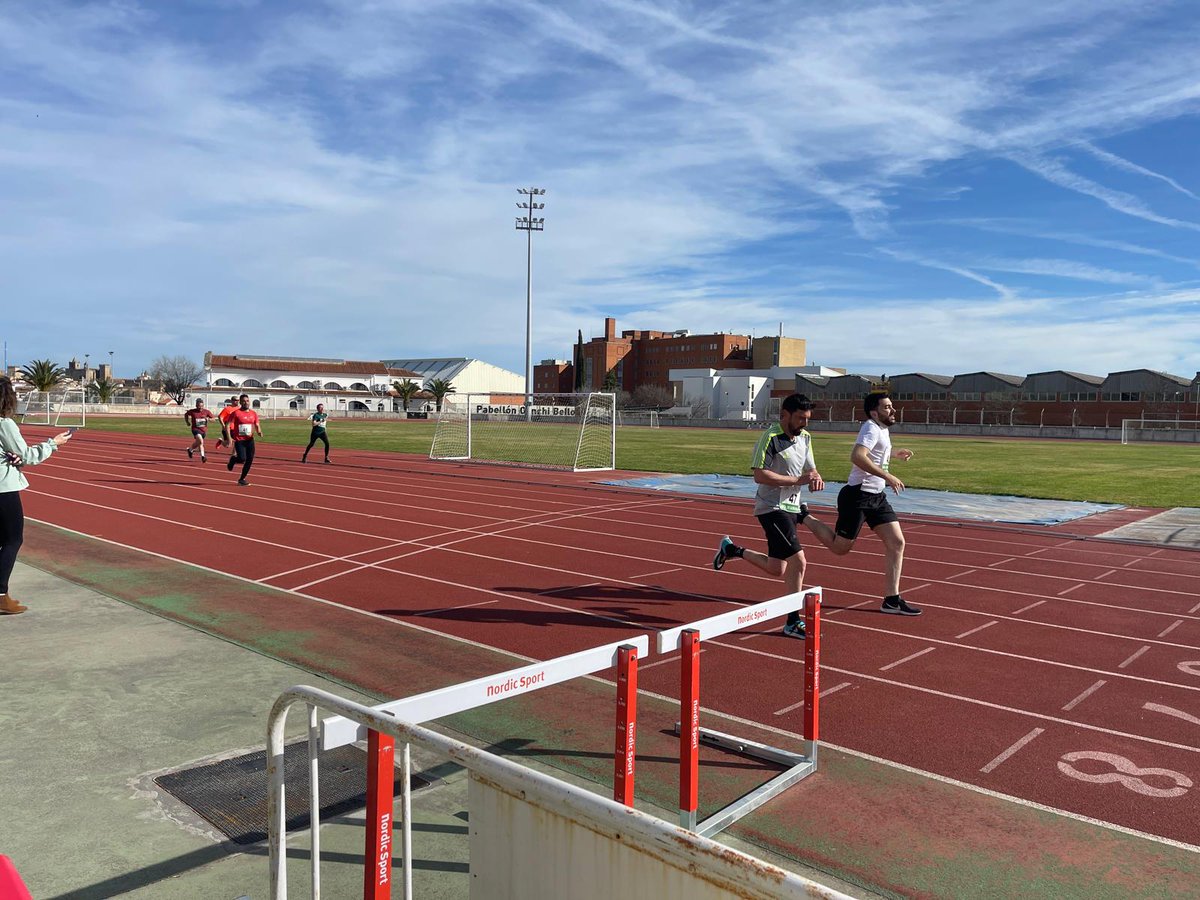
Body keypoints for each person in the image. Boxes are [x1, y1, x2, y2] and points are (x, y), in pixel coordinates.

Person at [712, 393, 824, 639]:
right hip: (771, 507)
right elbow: (759, 475)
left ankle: (732, 550)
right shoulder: (770, 438)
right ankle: (793, 621)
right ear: (784, 415)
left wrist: (814, 476)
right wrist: (798, 480)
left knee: (777, 569)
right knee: (799, 562)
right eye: (800, 418)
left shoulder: (805, 437)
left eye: (807, 418)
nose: (805, 423)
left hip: (792, 507)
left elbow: (810, 467)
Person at [799, 391, 921, 616]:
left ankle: (891, 600)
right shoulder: (870, 427)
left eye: (892, 406)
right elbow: (857, 456)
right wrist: (888, 476)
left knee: (897, 543)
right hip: (858, 496)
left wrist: (893, 454)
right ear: (874, 412)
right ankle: (803, 515)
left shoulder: (881, 429)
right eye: (887, 407)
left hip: (877, 497)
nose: (892, 410)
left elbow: (874, 453)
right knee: (839, 548)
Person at [0, 376, 73, 614]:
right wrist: (54, 443)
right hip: (3, 488)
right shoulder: (4, 424)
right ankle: (0, 594)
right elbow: (29, 455)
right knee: (13, 539)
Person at [225, 394, 262, 486]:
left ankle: (242, 479)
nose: (246, 402)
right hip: (239, 440)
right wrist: (229, 438)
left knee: (250, 460)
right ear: (240, 402)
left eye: (247, 401)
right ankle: (233, 460)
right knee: (242, 458)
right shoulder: (236, 413)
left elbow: (257, 424)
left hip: (250, 440)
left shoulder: (253, 413)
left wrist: (259, 432)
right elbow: (227, 425)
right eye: (244, 401)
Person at [183, 398, 216, 463]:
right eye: (199, 406)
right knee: (200, 441)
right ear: (196, 405)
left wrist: (208, 419)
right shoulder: (192, 411)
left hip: (203, 430)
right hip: (195, 429)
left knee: (198, 443)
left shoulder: (206, 412)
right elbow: (186, 414)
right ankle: (203, 457)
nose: (200, 408)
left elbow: (214, 419)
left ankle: (190, 450)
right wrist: (187, 422)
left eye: (202, 406)